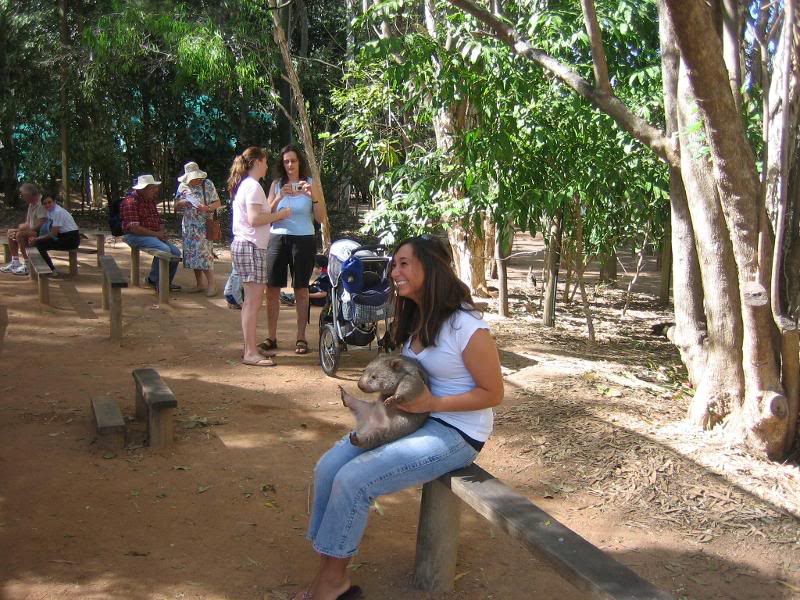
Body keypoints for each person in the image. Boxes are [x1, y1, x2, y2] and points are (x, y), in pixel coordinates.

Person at [293, 234, 504, 600]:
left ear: (432, 268)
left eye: (403, 263)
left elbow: (493, 393)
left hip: (457, 431)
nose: (394, 271)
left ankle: (330, 584)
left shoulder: (466, 326)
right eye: (394, 264)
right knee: (330, 467)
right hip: (416, 419)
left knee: (355, 479)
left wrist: (431, 405)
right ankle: (328, 567)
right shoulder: (415, 316)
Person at [228, 147, 292, 367]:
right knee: (253, 302)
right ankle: (250, 352)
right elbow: (256, 219)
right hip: (251, 246)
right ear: (256, 162)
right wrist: (281, 215)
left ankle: (250, 348)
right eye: (265, 162)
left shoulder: (248, 185)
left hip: (249, 245)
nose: (267, 166)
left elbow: (260, 214)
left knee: (251, 302)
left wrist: (278, 199)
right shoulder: (253, 186)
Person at [261, 144, 326, 356]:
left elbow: (321, 218)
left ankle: (301, 337)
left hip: (304, 239)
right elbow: (265, 213)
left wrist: (312, 196)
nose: (290, 165)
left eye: (293, 161)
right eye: (286, 161)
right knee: (272, 288)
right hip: (277, 238)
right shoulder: (276, 184)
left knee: (301, 288)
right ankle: (271, 337)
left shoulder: (310, 184)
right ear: (282, 163)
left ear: (300, 162)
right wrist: (279, 196)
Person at [120, 174, 182, 292]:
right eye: (153, 188)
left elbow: (158, 220)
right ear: (144, 189)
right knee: (164, 249)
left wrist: (161, 231)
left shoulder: (150, 201)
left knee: (176, 252)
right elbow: (134, 228)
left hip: (152, 235)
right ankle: (156, 281)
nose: (156, 190)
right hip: (134, 236)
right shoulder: (130, 202)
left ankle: (163, 281)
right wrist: (156, 234)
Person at [175, 161, 222, 297]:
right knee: (192, 256)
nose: (194, 181)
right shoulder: (182, 186)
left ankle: (211, 285)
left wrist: (206, 208)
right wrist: (186, 202)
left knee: (204, 255)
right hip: (189, 226)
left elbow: (217, 203)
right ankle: (199, 284)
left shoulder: (207, 184)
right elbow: (176, 205)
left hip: (203, 225)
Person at [0, 183, 48, 276]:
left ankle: (27, 264)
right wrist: (20, 228)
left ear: (29, 194)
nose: (22, 197)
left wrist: (24, 231)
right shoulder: (31, 204)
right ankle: (15, 262)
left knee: (20, 235)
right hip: (34, 230)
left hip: (44, 231)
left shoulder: (42, 203)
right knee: (11, 232)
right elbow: (28, 222)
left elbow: (43, 222)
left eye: (23, 195)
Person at [26, 194, 80, 274]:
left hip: (71, 239)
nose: (47, 205)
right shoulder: (50, 212)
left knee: (38, 244)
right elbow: (50, 230)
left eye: (49, 202)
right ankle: (44, 268)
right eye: (45, 203)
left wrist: (37, 239)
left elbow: (53, 234)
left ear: (54, 202)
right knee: (38, 243)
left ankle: (51, 269)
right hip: (62, 236)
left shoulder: (58, 212)